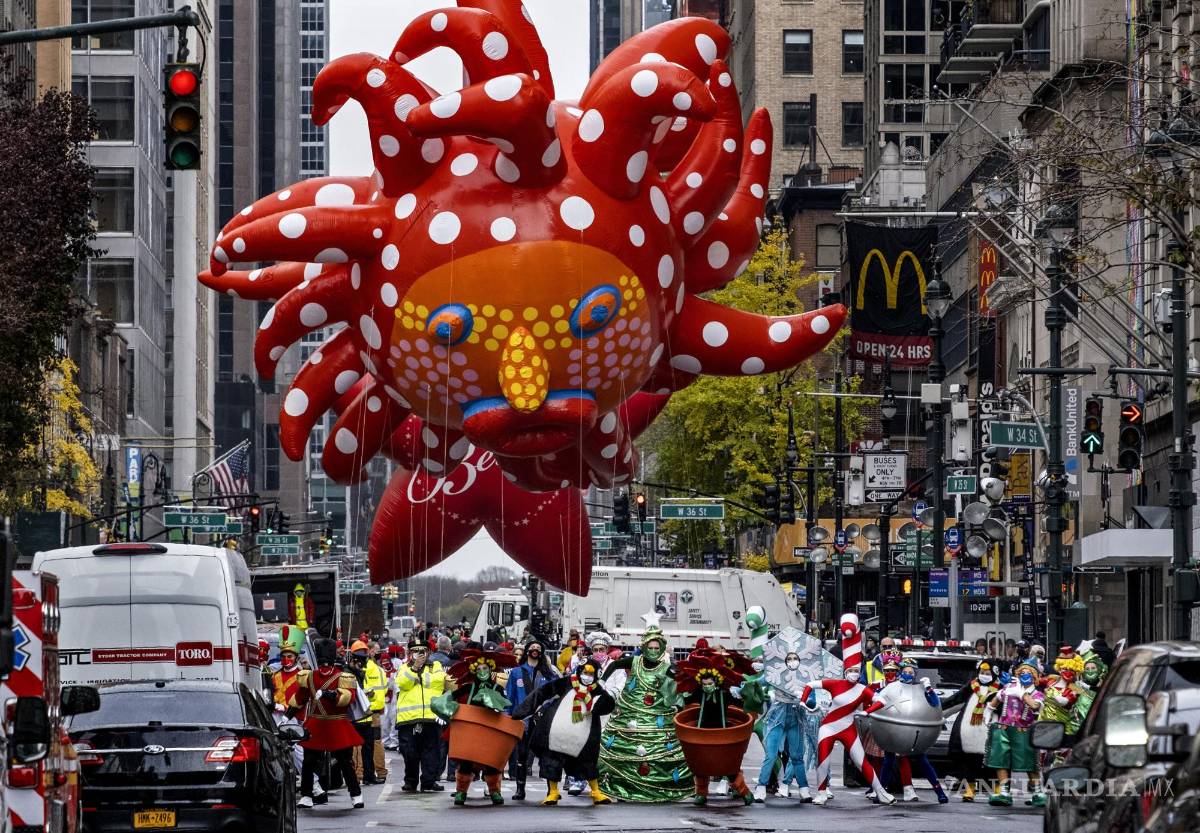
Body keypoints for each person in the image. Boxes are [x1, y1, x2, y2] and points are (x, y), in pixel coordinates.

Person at [800, 613, 894, 805]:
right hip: (828, 727)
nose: (853, 674)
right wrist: (804, 701)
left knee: (862, 762)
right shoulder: (835, 684)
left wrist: (867, 711)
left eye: (856, 672)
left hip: (848, 728)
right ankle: (821, 791)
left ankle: (880, 791)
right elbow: (810, 684)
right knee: (823, 760)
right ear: (845, 672)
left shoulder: (862, 689)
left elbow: (881, 700)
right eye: (850, 671)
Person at [598, 620, 692, 802]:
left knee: (656, 753)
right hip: (629, 715)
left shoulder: (666, 667)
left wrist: (681, 702)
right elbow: (614, 665)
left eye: (658, 648)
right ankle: (623, 787)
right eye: (651, 647)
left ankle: (658, 788)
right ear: (644, 647)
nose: (654, 651)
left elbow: (682, 683)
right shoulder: (634, 661)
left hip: (657, 718)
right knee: (625, 750)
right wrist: (601, 682)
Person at [514, 659, 616, 806]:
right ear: (580, 671)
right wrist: (523, 710)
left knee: (588, 763)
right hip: (556, 734)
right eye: (585, 672)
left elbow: (608, 704)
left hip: (582, 738)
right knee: (551, 761)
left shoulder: (597, 690)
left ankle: (596, 791)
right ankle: (553, 792)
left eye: (591, 674)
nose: (587, 676)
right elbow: (543, 692)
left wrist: (599, 704)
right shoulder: (566, 682)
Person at [287, 637, 364, 810]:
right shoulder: (309, 677)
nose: (324, 666)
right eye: (321, 662)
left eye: (327, 662)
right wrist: (287, 717)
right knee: (308, 761)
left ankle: (356, 794)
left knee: (345, 762)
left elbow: (348, 698)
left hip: (337, 724)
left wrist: (331, 695)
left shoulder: (343, 676)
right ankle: (306, 795)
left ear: (332, 661)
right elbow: (299, 699)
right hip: (316, 724)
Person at [432, 649, 514, 806]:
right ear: (474, 671)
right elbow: (450, 697)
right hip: (470, 731)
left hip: (490, 730)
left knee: (492, 763)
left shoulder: (497, 689)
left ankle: (495, 792)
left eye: (485, 669)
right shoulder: (468, 688)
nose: (482, 672)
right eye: (479, 669)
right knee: (466, 762)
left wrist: (493, 701)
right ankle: (461, 791)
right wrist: (443, 704)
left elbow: (505, 705)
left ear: (491, 670)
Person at [675, 653, 757, 806]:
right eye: (704, 684)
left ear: (716, 681)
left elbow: (740, 703)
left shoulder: (724, 695)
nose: (707, 686)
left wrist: (748, 693)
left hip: (722, 734)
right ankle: (701, 794)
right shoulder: (699, 693)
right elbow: (685, 700)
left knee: (729, 768)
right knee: (700, 767)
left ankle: (745, 792)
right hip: (702, 734)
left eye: (709, 683)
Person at [868, 658, 949, 803]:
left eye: (910, 672)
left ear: (915, 674)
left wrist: (929, 688)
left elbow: (935, 704)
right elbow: (879, 698)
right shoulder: (893, 687)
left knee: (922, 761)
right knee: (888, 760)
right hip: (893, 730)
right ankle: (882, 792)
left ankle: (939, 791)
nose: (907, 674)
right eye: (904, 671)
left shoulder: (920, 688)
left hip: (915, 733)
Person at [272, 625, 326, 804]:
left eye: (289, 656)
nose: (286, 660)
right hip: (275, 719)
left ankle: (316, 788)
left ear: (296, 657)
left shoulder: (304, 675)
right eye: (283, 656)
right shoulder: (274, 676)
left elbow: (306, 699)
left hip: (296, 719)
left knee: (299, 755)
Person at [754, 650, 817, 803]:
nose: (793, 661)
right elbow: (756, 682)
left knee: (796, 756)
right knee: (771, 754)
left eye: (796, 658)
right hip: (776, 718)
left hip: (796, 718)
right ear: (784, 660)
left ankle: (804, 789)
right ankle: (761, 787)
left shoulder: (807, 677)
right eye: (789, 658)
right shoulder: (775, 673)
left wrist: (802, 697)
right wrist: (741, 687)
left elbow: (812, 702)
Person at [940, 657, 1003, 801]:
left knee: (996, 762)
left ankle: (999, 790)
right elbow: (954, 701)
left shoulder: (1000, 690)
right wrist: (936, 711)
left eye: (988, 673)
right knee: (969, 763)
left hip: (990, 732)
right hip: (970, 734)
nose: (984, 675)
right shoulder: (972, 686)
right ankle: (970, 790)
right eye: (982, 672)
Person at [985, 657, 1044, 806]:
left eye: (1028, 673)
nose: (1025, 675)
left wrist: (1022, 694)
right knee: (1001, 761)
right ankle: (1004, 792)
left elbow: (1035, 706)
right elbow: (995, 701)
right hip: (1004, 729)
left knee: (1028, 762)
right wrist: (988, 713)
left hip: (1024, 731)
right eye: (1022, 672)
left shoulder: (1037, 694)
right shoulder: (1008, 689)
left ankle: (1037, 792)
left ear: (1035, 676)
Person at [504, 640, 559, 801]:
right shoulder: (516, 672)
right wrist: (508, 715)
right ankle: (520, 789)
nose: (535, 650)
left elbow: (554, 696)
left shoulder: (549, 674)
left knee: (547, 756)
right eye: (532, 647)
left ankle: (551, 790)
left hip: (543, 721)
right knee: (521, 755)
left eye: (538, 648)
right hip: (523, 721)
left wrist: (545, 709)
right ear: (527, 651)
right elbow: (510, 696)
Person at [395, 639, 447, 793]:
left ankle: (429, 782)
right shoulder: (404, 668)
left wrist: (420, 678)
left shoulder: (436, 666)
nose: (419, 655)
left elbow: (439, 682)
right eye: (415, 652)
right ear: (409, 654)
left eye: (422, 651)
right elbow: (403, 683)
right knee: (409, 752)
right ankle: (410, 781)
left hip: (431, 717)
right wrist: (415, 668)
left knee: (431, 752)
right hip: (408, 718)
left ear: (428, 653)